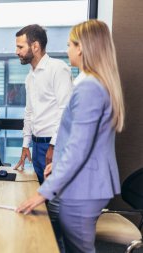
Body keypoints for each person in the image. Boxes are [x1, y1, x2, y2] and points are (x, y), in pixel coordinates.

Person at [17, 20, 125, 253]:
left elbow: (78, 148)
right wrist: (57, 164)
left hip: (83, 188)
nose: (67, 50)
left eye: (69, 44)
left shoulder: (90, 88)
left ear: (82, 48)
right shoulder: (90, 83)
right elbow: (84, 140)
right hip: (84, 184)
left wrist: (43, 193)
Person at [12, 24, 73, 184]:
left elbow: (65, 110)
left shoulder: (58, 69)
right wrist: (26, 145)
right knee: (41, 192)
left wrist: (54, 146)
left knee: (55, 196)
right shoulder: (30, 77)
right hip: (38, 145)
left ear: (36, 46)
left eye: (20, 47)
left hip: (54, 145)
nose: (16, 52)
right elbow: (29, 112)